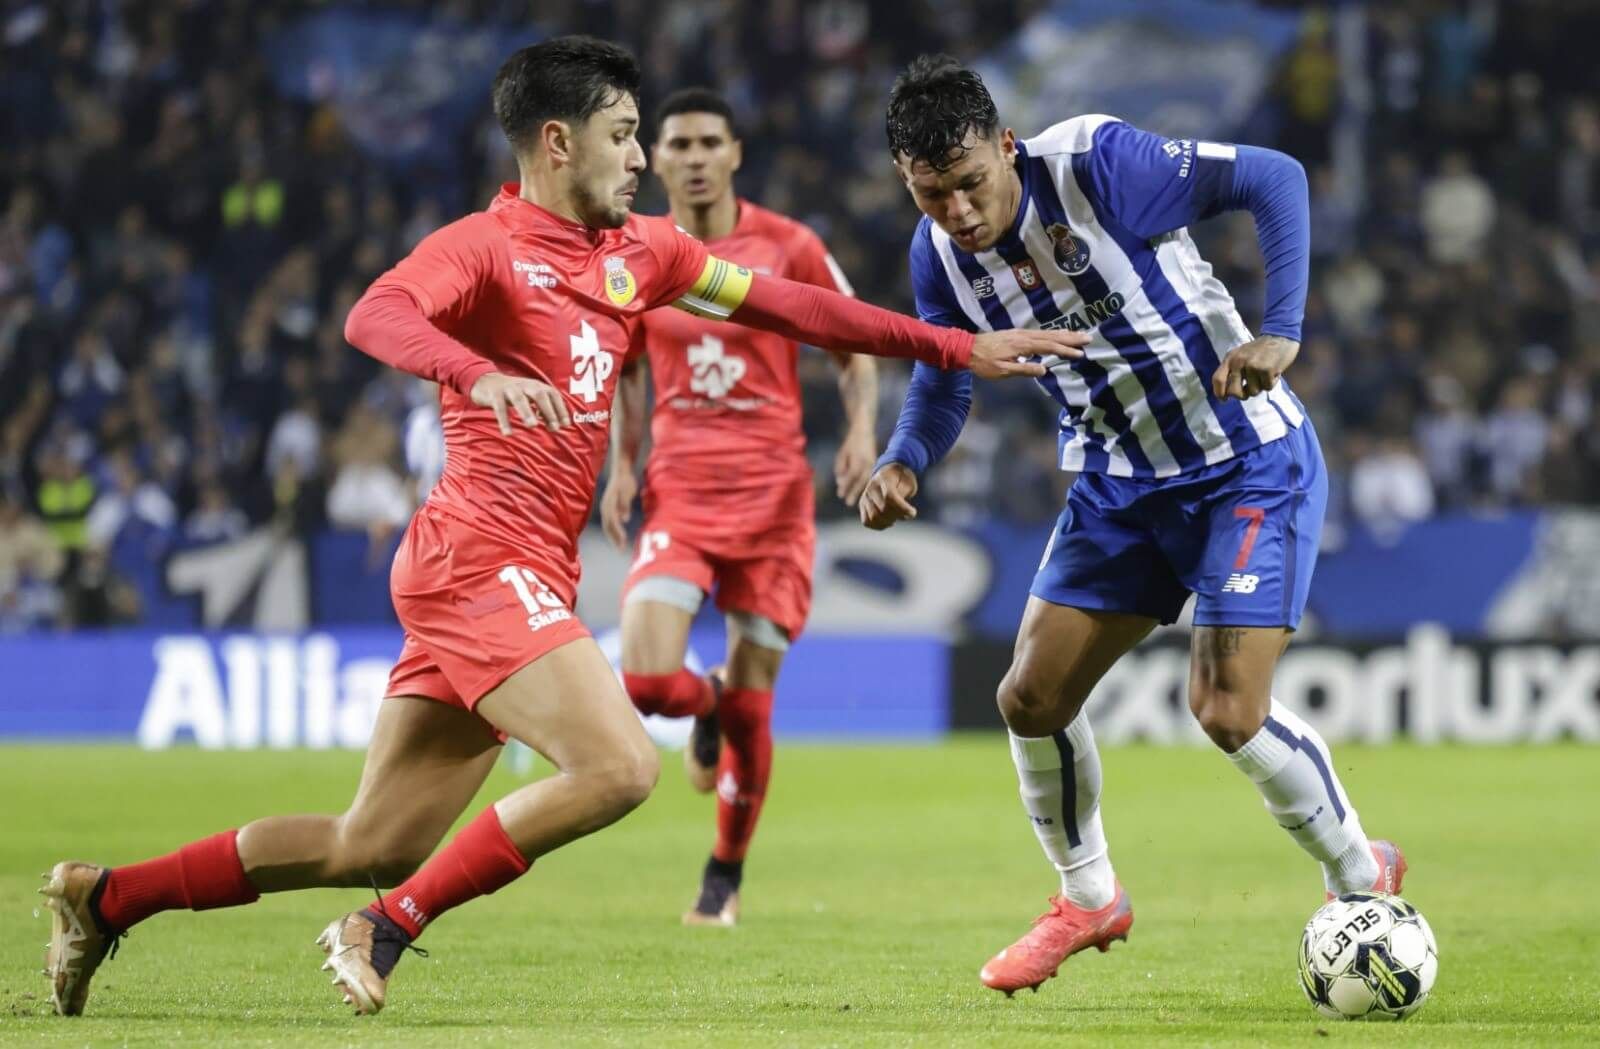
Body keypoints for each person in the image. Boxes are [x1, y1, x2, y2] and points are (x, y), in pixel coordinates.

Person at [40, 37, 1078, 1018]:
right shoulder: (483, 249)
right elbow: (377, 313)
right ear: (556, 142)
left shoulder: (642, 257)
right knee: (619, 766)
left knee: (376, 836)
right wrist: (475, 368)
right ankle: (382, 930)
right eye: (625, 134)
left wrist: (949, 349)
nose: (642, 158)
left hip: (504, 571)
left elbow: (796, 309)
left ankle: (105, 896)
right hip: (475, 562)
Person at [858, 56, 1406, 997]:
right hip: (1117, 482)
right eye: (929, 193)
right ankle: (1088, 898)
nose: (955, 212)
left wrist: (1283, 327)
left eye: (968, 184)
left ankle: (1362, 878)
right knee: (1028, 696)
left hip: (1243, 462)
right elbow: (948, 369)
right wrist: (907, 455)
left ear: (1006, 147)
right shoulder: (936, 252)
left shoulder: (1099, 165)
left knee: (1227, 709)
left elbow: (1273, 176)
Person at [600, 88, 877, 927]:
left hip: (774, 502)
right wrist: (622, 464)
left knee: (757, 700)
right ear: (657, 156)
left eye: (706, 141)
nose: (689, 156)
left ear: (734, 153)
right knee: (646, 679)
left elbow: (854, 342)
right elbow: (629, 365)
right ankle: (704, 705)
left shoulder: (790, 245)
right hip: (681, 491)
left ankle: (722, 877)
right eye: (675, 142)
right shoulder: (636, 251)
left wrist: (862, 432)